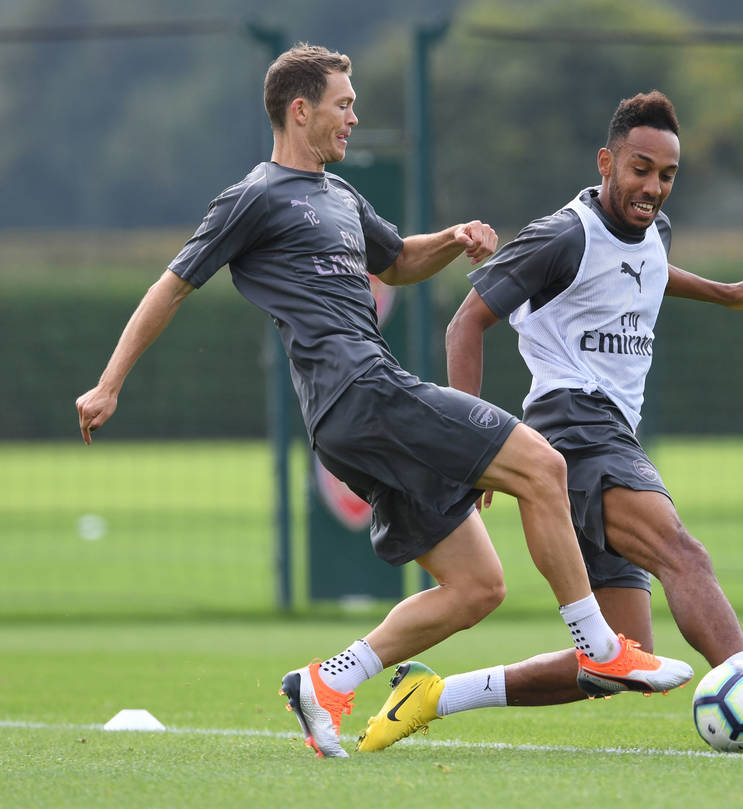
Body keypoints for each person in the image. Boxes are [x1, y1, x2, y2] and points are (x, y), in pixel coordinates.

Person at [74, 48, 693, 759]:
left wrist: (454, 240)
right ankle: (599, 647)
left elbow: (397, 259)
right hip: (360, 392)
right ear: (299, 110)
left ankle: (326, 682)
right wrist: (110, 380)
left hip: (358, 413)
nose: (353, 115)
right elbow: (172, 285)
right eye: (343, 103)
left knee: (476, 585)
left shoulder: (338, 197)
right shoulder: (255, 195)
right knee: (542, 464)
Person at [356, 90, 743, 752]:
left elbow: (648, 270)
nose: (652, 187)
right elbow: (466, 322)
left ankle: (432, 695)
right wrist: (471, 449)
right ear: (606, 162)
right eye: (640, 168)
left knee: (618, 659)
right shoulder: (561, 236)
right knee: (681, 550)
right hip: (573, 426)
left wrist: (727, 292)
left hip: (610, 433)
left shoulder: (656, 230)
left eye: (666, 175)